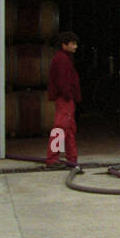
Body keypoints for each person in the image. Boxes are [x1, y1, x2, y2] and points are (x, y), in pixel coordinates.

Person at [46, 31, 82, 170]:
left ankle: (72, 158)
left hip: (67, 100)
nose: (75, 46)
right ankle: (52, 158)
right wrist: (68, 96)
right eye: (72, 44)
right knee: (60, 129)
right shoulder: (62, 59)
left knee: (69, 129)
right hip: (65, 100)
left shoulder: (64, 58)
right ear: (64, 45)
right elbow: (63, 82)